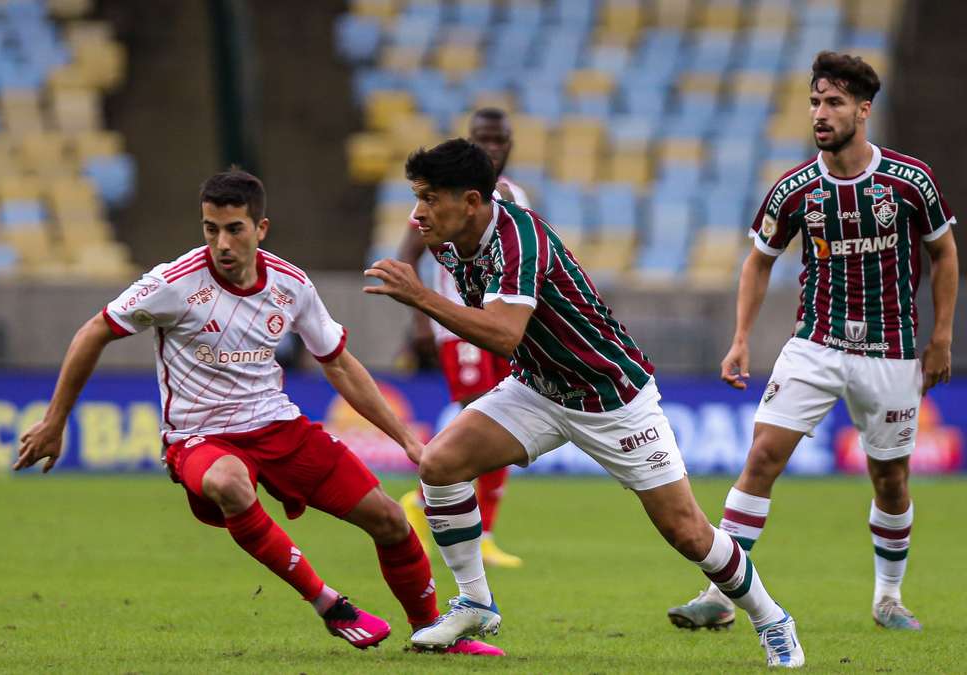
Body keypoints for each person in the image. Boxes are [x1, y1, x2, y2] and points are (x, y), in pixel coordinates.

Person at [13, 169, 501, 656]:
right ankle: (329, 603)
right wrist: (55, 421)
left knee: (390, 520)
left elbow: (340, 365)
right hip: (200, 438)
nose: (221, 243)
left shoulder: (290, 284)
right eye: (210, 229)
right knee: (228, 483)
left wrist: (408, 442)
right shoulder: (174, 283)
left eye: (234, 229)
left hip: (277, 426)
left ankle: (431, 636)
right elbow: (93, 332)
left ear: (260, 228)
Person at [364, 139, 804, 667]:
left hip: (612, 397)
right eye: (417, 198)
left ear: (472, 200)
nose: (418, 213)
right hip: (540, 389)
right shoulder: (449, 242)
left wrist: (421, 298)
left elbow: (504, 334)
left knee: (688, 532)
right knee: (439, 464)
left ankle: (772, 619)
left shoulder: (518, 239)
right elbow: (509, 339)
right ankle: (476, 602)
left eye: (430, 198)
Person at [666, 52, 957, 633]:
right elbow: (757, 263)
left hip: (891, 350)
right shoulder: (794, 190)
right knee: (762, 458)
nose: (820, 114)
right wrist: (741, 339)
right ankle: (721, 596)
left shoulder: (908, 180)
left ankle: (888, 599)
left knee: (891, 480)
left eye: (834, 103)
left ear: (863, 110)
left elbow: (943, 253)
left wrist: (942, 336)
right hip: (814, 345)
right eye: (815, 102)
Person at [398, 108, 529, 568]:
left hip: (503, 323)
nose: (493, 148)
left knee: (504, 420)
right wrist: (419, 323)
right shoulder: (443, 201)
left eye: (499, 140)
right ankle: (422, 499)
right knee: (480, 410)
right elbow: (408, 254)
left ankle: (483, 529)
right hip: (460, 327)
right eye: (483, 140)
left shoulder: (518, 196)